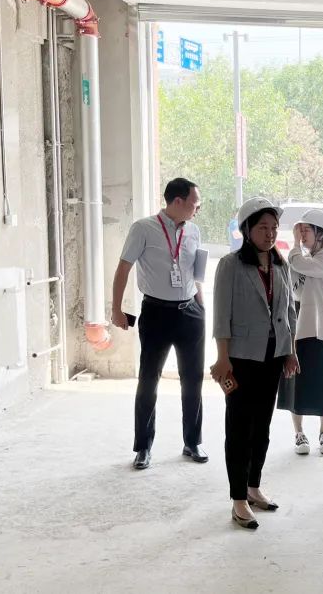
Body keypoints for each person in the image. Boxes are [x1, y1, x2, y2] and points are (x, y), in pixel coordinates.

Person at [210, 197, 300, 530]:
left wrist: (291, 350)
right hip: (240, 358)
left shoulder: (281, 264)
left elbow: (289, 311)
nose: (270, 233)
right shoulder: (231, 265)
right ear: (247, 229)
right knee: (239, 427)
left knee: (262, 425)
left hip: (273, 355)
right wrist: (222, 358)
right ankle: (238, 499)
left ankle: (253, 486)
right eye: (263, 227)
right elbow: (222, 315)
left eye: (274, 227)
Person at [112, 177, 208, 471]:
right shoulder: (143, 228)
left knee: (193, 379)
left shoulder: (193, 231)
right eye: (195, 203)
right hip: (156, 313)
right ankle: (143, 447)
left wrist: (201, 305)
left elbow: (195, 272)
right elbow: (123, 268)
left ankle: (192, 442)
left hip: (190, 312)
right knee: (148, 380)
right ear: (178, 201)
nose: (198, 209)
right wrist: (116, 309)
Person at [277, 208, 323, 456]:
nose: (302, 234)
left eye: (307, 230)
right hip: (298, 324)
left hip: (322, 326)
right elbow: (292, 285)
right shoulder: (298, 258)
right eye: (300, 230)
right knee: (296, 381)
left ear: (321, 233)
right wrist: (295, 249)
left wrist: (294, 246)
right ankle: (299, 433)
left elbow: (301, 264)